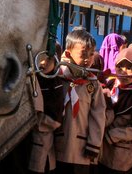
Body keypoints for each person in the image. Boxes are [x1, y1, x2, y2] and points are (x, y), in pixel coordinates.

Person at [48, 30, 106, 174]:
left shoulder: (93, 84)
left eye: (91, 54)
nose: (88, 59)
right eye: (83, 54)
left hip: (83, 148)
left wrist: (94, 144)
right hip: (57, 144)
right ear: (68, 54)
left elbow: (98, 115)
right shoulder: (57, 78)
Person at [99, 48, 132, 173]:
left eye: (130, 68)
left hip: (121, 153)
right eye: (120, 67)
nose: (124, 72)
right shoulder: (110, 84)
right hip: (101, 150)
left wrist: (115, 134)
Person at [28, 43, 64, 173]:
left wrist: (30, 122)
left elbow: (54, 119)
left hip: (42, 142)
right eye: (39, 56)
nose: (43, 62)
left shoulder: (56, 85)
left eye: (49, 58)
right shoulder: (31, 79)